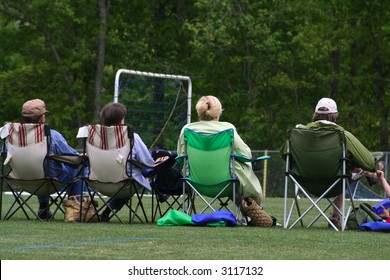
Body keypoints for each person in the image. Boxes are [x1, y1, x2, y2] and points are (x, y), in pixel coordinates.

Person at [280, 97, 377, 229]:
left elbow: (284, 155)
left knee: (342, 171)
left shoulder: (297, 133)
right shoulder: (343, 135)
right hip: (335, 183)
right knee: (343, 172)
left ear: (315, 114)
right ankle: (335, 216)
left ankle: (334, 216)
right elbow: (370, 162)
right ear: (334, 115)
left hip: (303, 183)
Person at [176, 95, 264, 217]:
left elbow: (181, 157)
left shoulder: (187, 129)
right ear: (218, 114)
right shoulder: (228, 128)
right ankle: (253, 209)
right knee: (242, 167)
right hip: (226, 182)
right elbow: (246, 154)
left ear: (199, 112)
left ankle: (187, 214)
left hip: (194, 181)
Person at [20, 99, 83, 220]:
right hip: (50, 180)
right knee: (79, 167)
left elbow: (4, 153)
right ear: (43, 117)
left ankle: (43, 208)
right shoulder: (51, 135)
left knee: (40, 168)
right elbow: (73, 157)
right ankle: (75, 209)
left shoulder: (13, 135)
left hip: (22, 179)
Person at [99, 102, 155, 221]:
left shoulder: (97, 137)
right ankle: (161, 193)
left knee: (125, 174)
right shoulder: (131, 136)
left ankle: (106, 212)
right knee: (132, 175)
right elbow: (148, 162)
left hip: (99, 183)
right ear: (121, 121)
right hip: (124, 184)